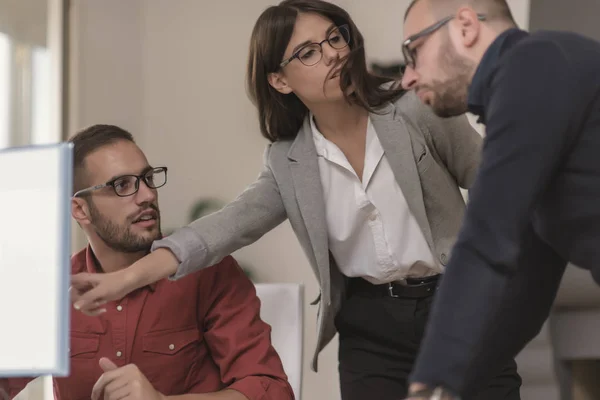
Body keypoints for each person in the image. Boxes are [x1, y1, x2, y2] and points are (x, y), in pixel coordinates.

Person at [69, 1, 520, 399]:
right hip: (372, 329)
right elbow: (218, 231)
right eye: (308, 52)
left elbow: (494, 179)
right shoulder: (289, 161)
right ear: (279, 80)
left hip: (457, 301)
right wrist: (124, 281)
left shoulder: (411, 109)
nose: (333, 55)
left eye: (334, 38)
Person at [0, 125, 294, 400]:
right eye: (122, 185)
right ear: (80, 209)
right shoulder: (53, 287)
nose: (148, 195)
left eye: (148, 179)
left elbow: (271, 391)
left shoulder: (208, 273)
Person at [399, 0, 600, 398]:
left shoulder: (533, 64)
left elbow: (484, 239)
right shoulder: (533, 92)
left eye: (413, 51)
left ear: (466, 26)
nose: (407, 77)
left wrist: (428, 381)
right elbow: (525, 292)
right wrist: (449, 387)